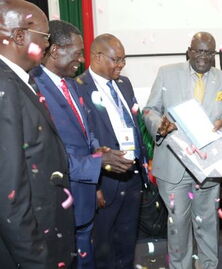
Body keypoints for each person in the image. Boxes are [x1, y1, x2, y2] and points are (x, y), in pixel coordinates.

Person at [30, 21, 135, 269]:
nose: (80, 60)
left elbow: (86, 133)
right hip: (60, 201)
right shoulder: (34, 88)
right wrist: (98, 162)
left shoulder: (70, 84)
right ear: (55, 50)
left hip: (84, 198)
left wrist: (99, 150)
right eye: (76, 53)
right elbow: (48, 156)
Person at [143, 32, 222, 269]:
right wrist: (160, 125)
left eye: (208, 52)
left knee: (208, 225)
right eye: (198, 50)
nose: (203, 56)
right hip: (174, 165)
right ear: (189, 51)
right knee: (178, 225)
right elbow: (149, 110)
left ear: (215, 55)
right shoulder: (167, 74)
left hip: (208, 166)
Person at [0, 1, 75, 268]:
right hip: (32, 248)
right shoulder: (5, 88)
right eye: (44, 37)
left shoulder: (21, 81)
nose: (47, 45)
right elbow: (9, 193)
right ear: (19, 36)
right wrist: (35, 260)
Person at [76, 34, 147, 268]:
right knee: (103, 245)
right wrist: (94, 185)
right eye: (116, 60)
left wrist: (144, 161)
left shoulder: (124, 84)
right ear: (97, 57)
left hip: (133, 176)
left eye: (124, 60)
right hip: (105, 180)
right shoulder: (79, 88)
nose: (121, 65)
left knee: (127, 242)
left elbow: (135, 126)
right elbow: (83, 140)